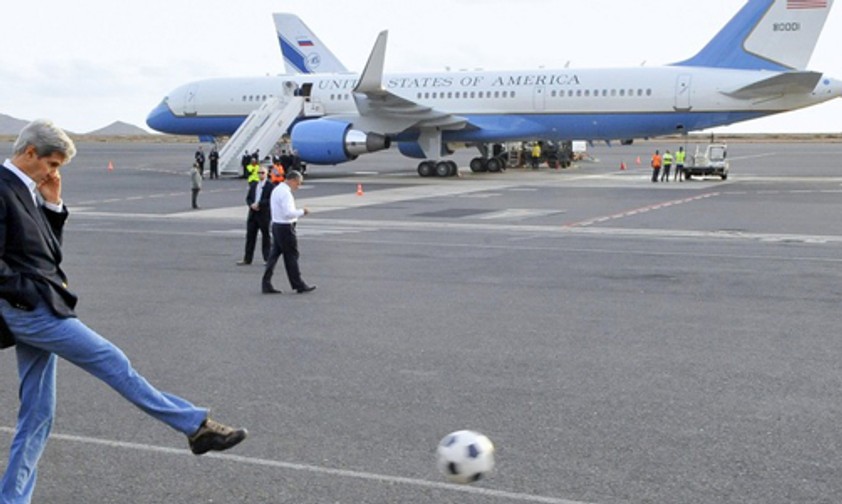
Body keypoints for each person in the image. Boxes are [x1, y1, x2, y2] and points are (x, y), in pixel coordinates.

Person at [0, 120, 247, 503]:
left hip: (40, 301)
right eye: (52, 164)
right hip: (30, 309)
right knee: (110, 359)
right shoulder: (2, 187)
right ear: (29, 152)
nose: (54, 172)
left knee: (38, 414)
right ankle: (195, 425)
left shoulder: (28, 190)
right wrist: (21, 295)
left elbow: (45, 255)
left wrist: (52, 205)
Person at [261, 171, 315, 294]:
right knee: (291, 256)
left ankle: (266, 282)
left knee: (273, 255)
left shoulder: (277, 190)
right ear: (293, 180)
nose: (298, 186)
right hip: (285, 227)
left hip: (276, 225)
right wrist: (302, 211)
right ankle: (298, 283)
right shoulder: (286, 193)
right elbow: (288, 213)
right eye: (298, 183)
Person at [237, 168, 274, 265]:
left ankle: (267, 259)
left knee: (266, 237)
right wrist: (251, 205)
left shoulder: (270, 186)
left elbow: (270, 199)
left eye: (262, 173)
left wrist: (259, 204)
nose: (260, 174)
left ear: (267, 174)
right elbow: (248, 198)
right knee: (250, 237)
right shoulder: (254, 185)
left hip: (264, 214)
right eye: (259, 173)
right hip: (253, 214)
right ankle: (247, 259)